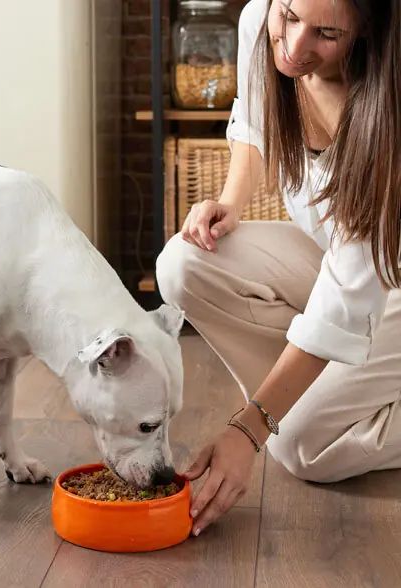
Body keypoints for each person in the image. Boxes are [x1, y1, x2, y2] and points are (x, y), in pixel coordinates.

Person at [155, 0, 401, 537]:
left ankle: (299, 408)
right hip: (335, 260)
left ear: (367, 31)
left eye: (326, 34)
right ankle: (306, 396)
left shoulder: (387, 109)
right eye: (288, 15)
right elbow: (253, 120)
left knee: (299, 445)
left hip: (388, 278)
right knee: (183, 263)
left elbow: (348, 294)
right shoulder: (257, 22)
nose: (293, 47)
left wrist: (248, 430)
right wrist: (231, 201)